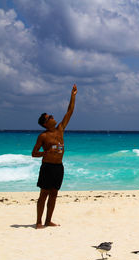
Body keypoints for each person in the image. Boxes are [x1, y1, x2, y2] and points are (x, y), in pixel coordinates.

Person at [32, 84, 77, 229]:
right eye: (50, 117)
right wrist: (45, 153)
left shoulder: (60, 129)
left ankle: (48, 220)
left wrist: (73, 95)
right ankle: (39, 222)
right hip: (47, 167)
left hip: (59, 167)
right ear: (46, 123)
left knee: (54, 194)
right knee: (43, 194)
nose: (53, 117)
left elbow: (69, 111)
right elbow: (34, 153)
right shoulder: (43, 136)